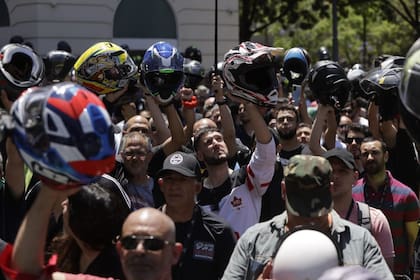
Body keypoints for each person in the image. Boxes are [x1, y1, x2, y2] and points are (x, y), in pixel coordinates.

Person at [222, 155, 393, 280]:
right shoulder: (255, 239)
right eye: (300, 209)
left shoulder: (360, 240)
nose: (307, 219)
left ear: (330, 190)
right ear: (283, 191)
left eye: (315, 209)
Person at [157, 151, 236, 280]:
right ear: (161, 185)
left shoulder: (219, 231)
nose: (174, 186)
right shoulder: (145, 228)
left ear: (198, 187)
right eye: (169, 179)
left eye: (182, 179)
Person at [352, 137, 420, 275]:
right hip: (359, 273)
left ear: (386, 156)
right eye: (365, 154)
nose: (370, 157)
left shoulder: (406, 195)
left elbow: (414, 242)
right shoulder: (351, 194)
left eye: (375, 152)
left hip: (397, 273)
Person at [323, 148, 394, 270]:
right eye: (329, 171)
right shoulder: (307, 219)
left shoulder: (374, 220)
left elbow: (386, 272)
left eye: (342, 171)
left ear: (355, 177)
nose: (335, 176)